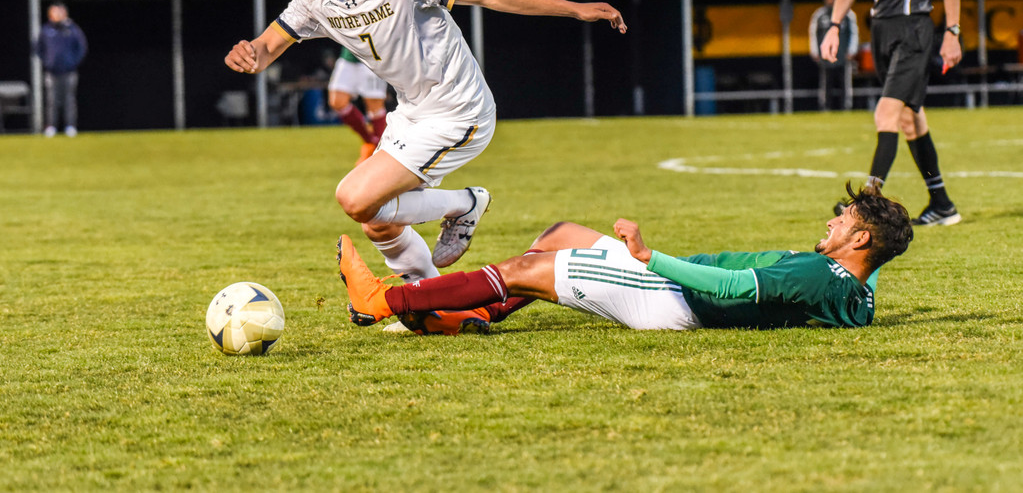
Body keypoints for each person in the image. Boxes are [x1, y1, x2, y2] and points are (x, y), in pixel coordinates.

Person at [224, 0, 627, 284]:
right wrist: (249, 54)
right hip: (412, 112)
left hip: (459, 110)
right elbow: (267, 47)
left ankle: (466, 203)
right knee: (377, 222)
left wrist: (574, 9)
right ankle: (431, 300)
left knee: (354, 197)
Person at [337, 183, 913, 334]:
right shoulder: (857, 292)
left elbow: (731, 288)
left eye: (845, 221)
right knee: (560, 234)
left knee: (524, 270)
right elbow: (850, 291)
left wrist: (648, 255)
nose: (833, 222)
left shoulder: (818, 272)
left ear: (861, 241)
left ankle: (385, 300)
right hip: (678, 289)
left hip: (671, 298)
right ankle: (470, 315)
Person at [820, 0, 963, 227]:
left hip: (914, 30)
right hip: (882, 30)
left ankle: (866, 202)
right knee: (910, 120)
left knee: (885, 113)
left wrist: (952, 31)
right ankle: (942, 205)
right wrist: (834, 25)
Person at [328, 45, 389, 165]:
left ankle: (381, 153)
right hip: (349, 56)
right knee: (337, 102)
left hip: (373, 56)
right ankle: (371, 141)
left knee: (375, 107)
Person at [37, 2, 88, 138]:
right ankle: (51, 127)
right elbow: (38, 48)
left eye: (60, 12)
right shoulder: (46, 30)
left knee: (69, 100)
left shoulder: (72, 30)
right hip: (52, 72)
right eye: (55, 12)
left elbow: (81, 48)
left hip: (69, 72)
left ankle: (70, 126)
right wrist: (48, 63)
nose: (58, 15)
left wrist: (73, 63)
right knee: (52, 101)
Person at [809, 0, 858, 111]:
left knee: (844, 82)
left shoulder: (848, 14)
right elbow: (813, 33)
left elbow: (854, 33)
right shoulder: (819, 14)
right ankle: (825, 106)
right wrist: (815, 51)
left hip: (842, 54)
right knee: (826, 82)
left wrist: (851, 50)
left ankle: (846, 106)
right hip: (826, 55)